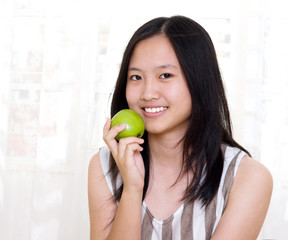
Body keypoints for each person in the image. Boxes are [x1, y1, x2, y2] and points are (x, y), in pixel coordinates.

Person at [88, 15, 273, 240]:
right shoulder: (105, 166)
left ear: (199, 80)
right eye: (136, 77)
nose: (147, 93)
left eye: (165, 75)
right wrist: (132, 189)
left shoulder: (247, 177)